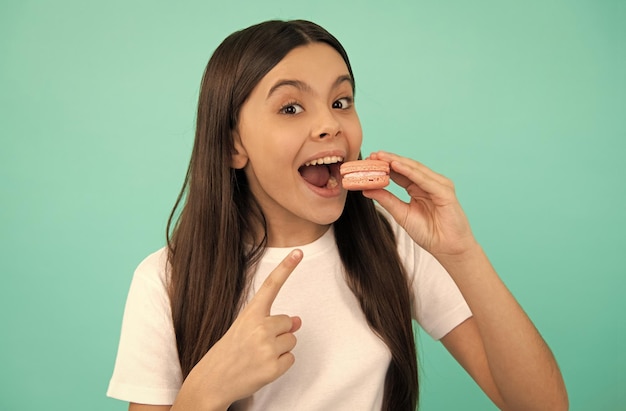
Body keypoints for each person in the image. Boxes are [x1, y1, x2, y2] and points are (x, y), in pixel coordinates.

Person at [107, 19, 568, 411]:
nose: (329, 123)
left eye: (341, 101)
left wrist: (462, 253)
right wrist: (205, 392)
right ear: (233, 144)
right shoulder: (165, 280)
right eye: (291, 107)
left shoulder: (392, 245)